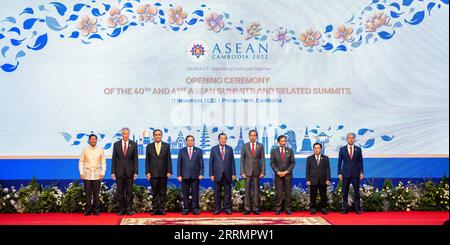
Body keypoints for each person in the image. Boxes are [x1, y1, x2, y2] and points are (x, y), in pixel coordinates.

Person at [112, 127, 138, 216]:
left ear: (129, 134)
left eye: (127, 134)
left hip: (130, 172)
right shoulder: (116, 144)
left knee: (129, 191)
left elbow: (135, 159)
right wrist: (113, 172)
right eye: (124, 134)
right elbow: (114, 159)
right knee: (120, 192)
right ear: (121, 134)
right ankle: (121, 209)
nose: (125, 135)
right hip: (119, 172)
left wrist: (135, 172)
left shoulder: (133, 144)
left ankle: (129, 209)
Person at [146, 129, 172, 215]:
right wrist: (147, 172)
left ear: (161, 136)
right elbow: (147, 160)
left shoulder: (166, 146)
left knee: (162, 192)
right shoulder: (149, 146)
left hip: (163, 173)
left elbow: (169, 159)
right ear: (153, 136)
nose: (157, 136)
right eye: (156, 135)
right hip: (153, 173)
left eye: (159, 135)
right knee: (155, 192)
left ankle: (161, 209)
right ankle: (155, 209)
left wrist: (169, 171)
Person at [79, 134, 106, 216]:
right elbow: (81, 162)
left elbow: (103, 163)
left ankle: (96, 210)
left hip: (97, 175)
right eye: (91, 139)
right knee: (87, 193)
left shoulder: (100, 150)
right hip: (87, 174)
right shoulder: (85, 150)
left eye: (94, 139)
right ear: (89, 140)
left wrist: (103, 173)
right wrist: (81, 172)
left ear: (96, 140)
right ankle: (88, 209)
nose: (93, 140)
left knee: (96, 194)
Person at [209, 133, 236, 215]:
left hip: (228, 174)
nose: (223, 140)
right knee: (217, 192)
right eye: (222, 138)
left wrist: (233, 173)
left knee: (228, 192)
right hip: (217, 174)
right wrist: (211, 174)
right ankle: (217, 209)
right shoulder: (213, 149)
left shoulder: (230, 149)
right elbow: (211, 163)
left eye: (225, 138)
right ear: (218, 139)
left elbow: (232, 162)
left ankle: (227, 208)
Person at [177, 135, 204, 215]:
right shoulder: (181, 151)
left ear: (194, 141)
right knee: (185, 193)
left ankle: (195, 209)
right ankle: (186, 208)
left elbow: (201, 163)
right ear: (186, 141)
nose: (190, 142)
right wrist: (179, 175)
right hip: (184, 176)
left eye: (192, 140)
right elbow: (179, 164)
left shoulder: (198, 150)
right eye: (188, 140)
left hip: (195, 176)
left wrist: (201, 174)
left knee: (195, 193)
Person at [240, 130, 265, 215]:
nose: (253, 137)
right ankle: (247, 208)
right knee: (247, 191)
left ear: (256, 136)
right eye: (251, 135)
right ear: (249, 136)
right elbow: (242, 160)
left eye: (254, 135)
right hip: (247, 172)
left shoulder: (260, 146)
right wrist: (242, 172)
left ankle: (256, 208)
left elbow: (263, 160)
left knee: (256, 191)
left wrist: (263, 172)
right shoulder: (245, 146)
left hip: (257, 172)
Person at [338, 132, 364, 214]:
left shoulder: (358, 149)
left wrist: (361, 172)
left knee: (356, 192)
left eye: (352, 138)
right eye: (349, 138)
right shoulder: (342, 149)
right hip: (345, 174)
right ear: (347, 139)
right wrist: (339, 173)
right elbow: (339, 162)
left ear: (354, 139)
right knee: (344, 192)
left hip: (356, 174)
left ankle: (357, 209)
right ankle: (344, 209)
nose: (351, 139)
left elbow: (360, 162)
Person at [270, 135, 295, 215]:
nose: (284, 143)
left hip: (288, 175)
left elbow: (293, 163)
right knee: (279, 193)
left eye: (285, 141)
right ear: (278, 142)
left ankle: (287, 208)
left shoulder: (290, 150)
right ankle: (278, 208)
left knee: (288, 192)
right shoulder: (274, 151)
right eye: (282, 141)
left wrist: (287, 171)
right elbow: (272, 163)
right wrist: (278, 172)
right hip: (278, 175)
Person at [306, 143, 331, 215]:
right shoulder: (309, 158)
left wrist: (328, 179)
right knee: (313, 195)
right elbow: (307, 170)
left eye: (318, 148)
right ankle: (313, 208)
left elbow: (327, 169)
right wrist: (308, 180)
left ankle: (323, 208)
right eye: (315, 148)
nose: (316, 149)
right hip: (313, 180)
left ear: (321, 149)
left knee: (323, 195)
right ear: (313, 149)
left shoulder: (326, 158)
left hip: (323, 180)